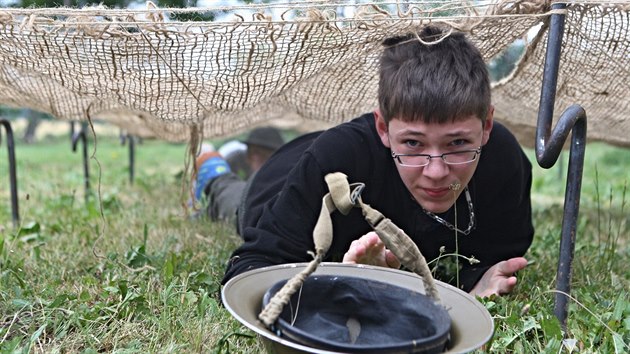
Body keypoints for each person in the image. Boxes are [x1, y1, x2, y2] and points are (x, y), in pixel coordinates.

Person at [220, 26, 534, 298]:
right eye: (413, 143)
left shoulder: (505, 163)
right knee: (228, 195)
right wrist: (342, 284)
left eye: (458, 144)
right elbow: (246, 274)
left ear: (486, 127)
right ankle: (213, 171)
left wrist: (473, 286)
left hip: (326, 150)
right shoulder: (334, 159)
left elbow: (494, 260)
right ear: (383, 127)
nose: (437, 172)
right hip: (274, 182)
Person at [193, 126, 285, 226]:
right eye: (253, 152)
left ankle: (214, 183)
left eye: (263, 153)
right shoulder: (235, 160)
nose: (255, 158)